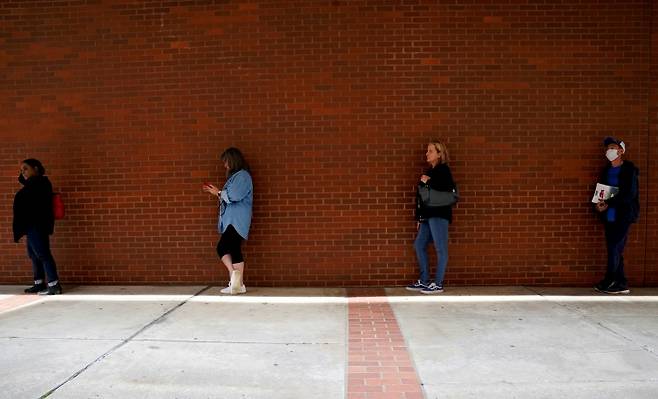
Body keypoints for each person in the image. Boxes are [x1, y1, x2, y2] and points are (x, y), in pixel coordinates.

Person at [407, 140, 456, 294]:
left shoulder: (444, 171)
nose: (427, 154)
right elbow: (421, 197)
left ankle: (438, 283)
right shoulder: (428, 172)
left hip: (439, 215)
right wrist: (419, 218)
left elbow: (447, 190)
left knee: (441, 248)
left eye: (430, 151)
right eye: (427, 151)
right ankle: (424, 280)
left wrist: (429, 182)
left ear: (439, 154)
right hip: (427, 216)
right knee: (419, 245)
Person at [203, 148, 253, 295]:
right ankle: (238, 284)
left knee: (224, 246)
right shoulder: (237, 177)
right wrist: (217, 193)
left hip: (236, 219)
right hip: (232, 219)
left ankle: (235, 278)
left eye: (226, 162)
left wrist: (218, 192)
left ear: (233, 160)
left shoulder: (243, 176)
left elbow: (235, 195)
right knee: (231, 248)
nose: (225, 165)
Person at [593, 137, 639, 294]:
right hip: (609, 216)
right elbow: (601, 191)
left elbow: (629, 194)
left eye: (612, 148)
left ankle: (612, 280)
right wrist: (598, 205)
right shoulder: (606, 170)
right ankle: (620, 282)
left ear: (621, 151)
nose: (608, 151)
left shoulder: (629, 170)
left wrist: (609, 203)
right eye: (607, 148)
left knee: (614, 248)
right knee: (614, 250)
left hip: (623, 215)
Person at [13, 158, 62, 295]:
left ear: (36, 168)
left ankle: (54, 285)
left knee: (43, 254)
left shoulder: (41, 183)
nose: (23, 172)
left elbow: (31, 200)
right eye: (21, 170)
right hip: (31, 225)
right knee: (34, 255)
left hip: (38, 225)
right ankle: (39, 283)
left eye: (26, 168)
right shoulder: (32, 184)